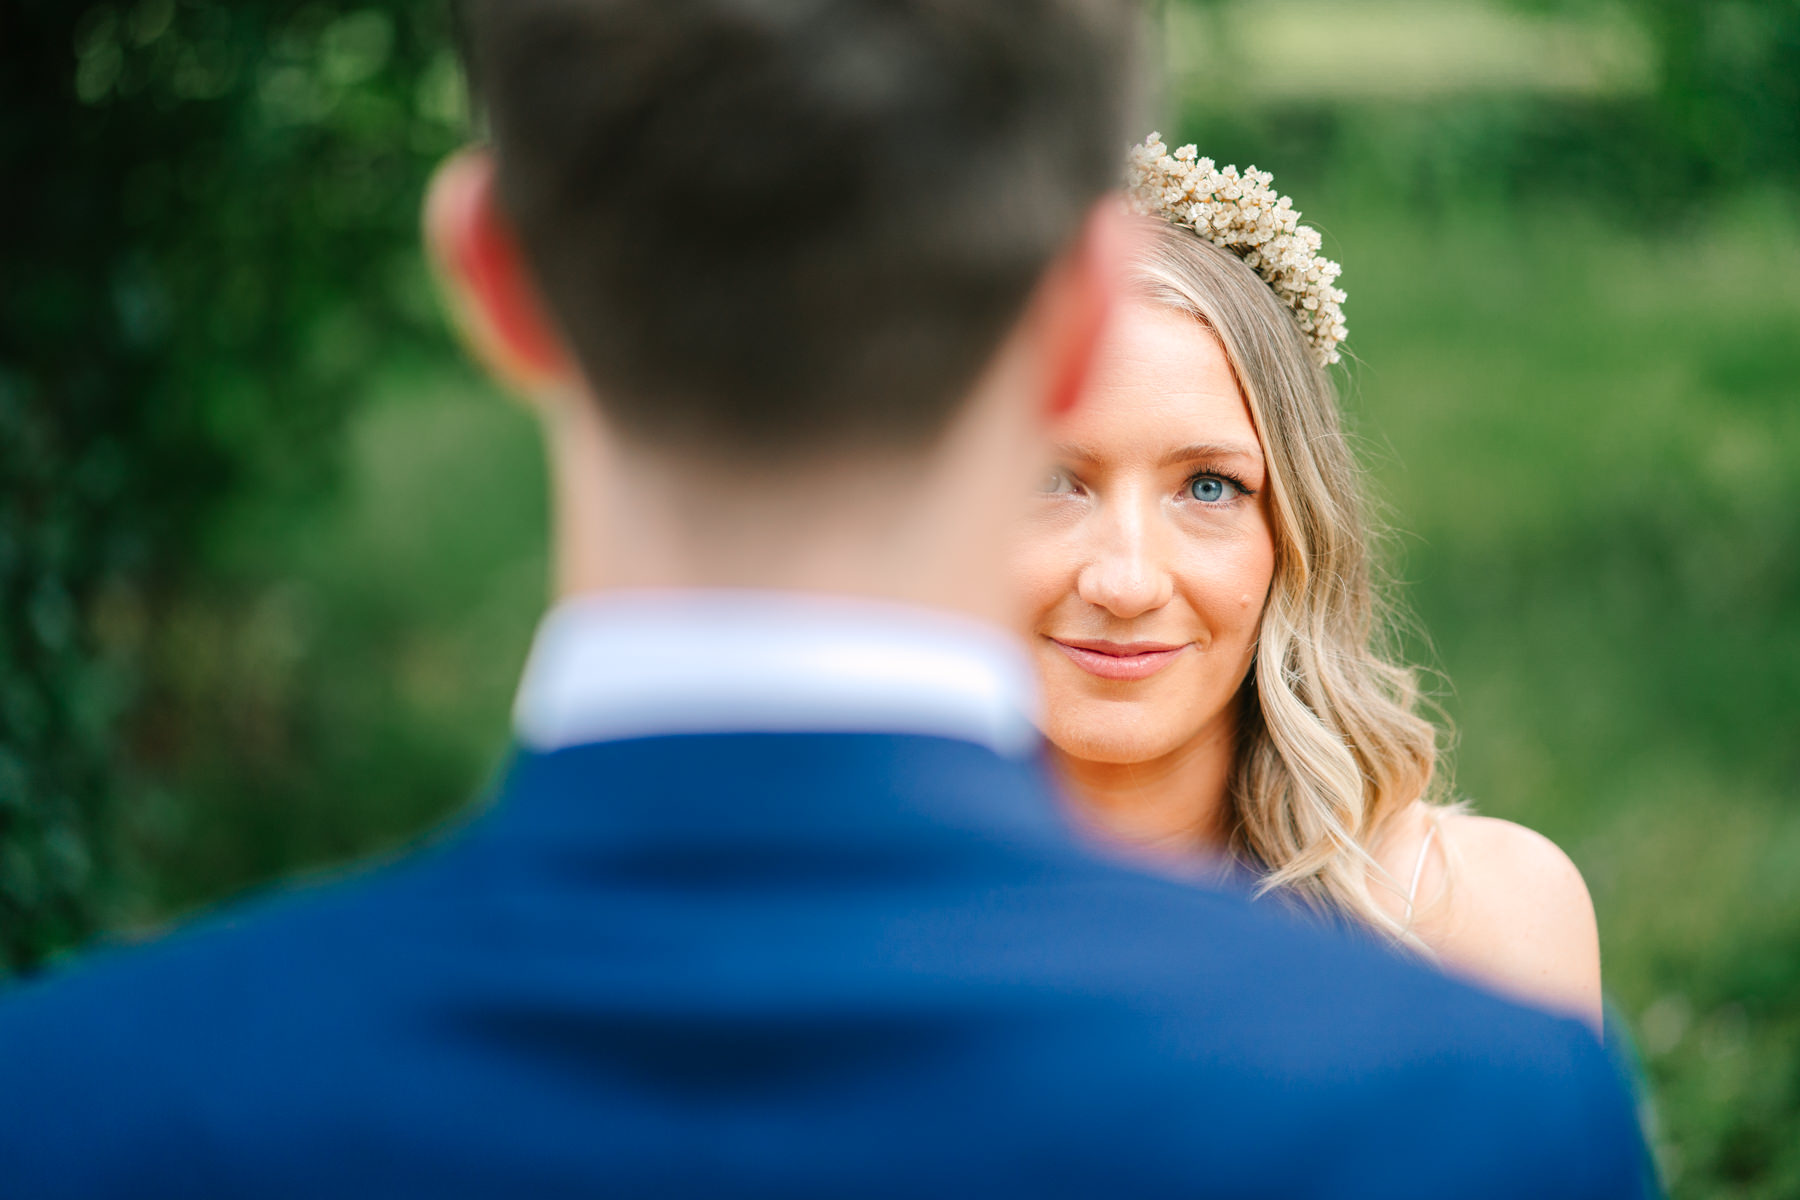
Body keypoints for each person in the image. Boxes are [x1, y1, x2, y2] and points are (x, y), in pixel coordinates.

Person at [0, 5, 1647, 1197]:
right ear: (1071, 317)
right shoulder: (1463, 1111)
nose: (1130, 571)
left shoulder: (82, 1110)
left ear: (495, 279)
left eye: (1209, 486)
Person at [1014, 135, 1605, 1028]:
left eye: (1209, 487)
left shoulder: (1478, 925)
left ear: (1293, 533)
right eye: (1048, 481)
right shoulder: (802, 916)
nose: (1126, 581)